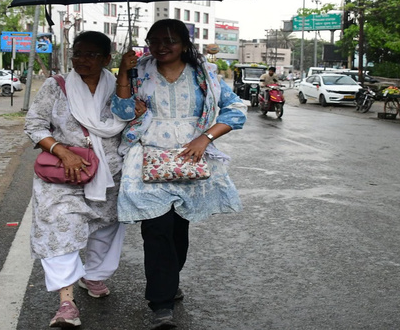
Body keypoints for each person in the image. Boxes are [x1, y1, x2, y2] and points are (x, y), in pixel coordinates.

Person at [111, 19, 247, 329]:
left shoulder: (205, 74)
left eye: (170, 40)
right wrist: (122, 72)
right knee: (156, 230)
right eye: (155, 39)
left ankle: (169, 281)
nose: (161, 45)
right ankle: (161, 304)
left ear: (184, 43)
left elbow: (236, 109)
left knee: (178, 232)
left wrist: (206, 137)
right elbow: (120, 112)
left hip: (189, 161)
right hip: (147, 158)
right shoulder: (138, 70)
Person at [24, 31, 130, 328]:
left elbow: (132, 122)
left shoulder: (121, 88)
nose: (82, 60)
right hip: (62, 174)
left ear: (107, 59)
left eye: (91, 55)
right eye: (77, 54)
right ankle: (66, 303)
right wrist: (61, 151)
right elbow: (34, 124)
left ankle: (94, 275)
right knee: (61, 228)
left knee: (106, 228)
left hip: (109, 173)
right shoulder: (55, 86)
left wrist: (129, 84)